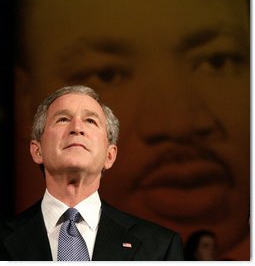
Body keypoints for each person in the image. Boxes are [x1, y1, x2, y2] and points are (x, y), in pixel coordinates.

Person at [13, 0, 250, 260]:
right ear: (22, 101)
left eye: (215, 61)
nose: (177, 123)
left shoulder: (161, 246)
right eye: (107, 73)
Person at [0, 85, 184, 261]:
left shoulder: (160, 247)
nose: (77, 128)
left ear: (109, 156)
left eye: (90, 121)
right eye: (63, 119)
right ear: (37, 151)